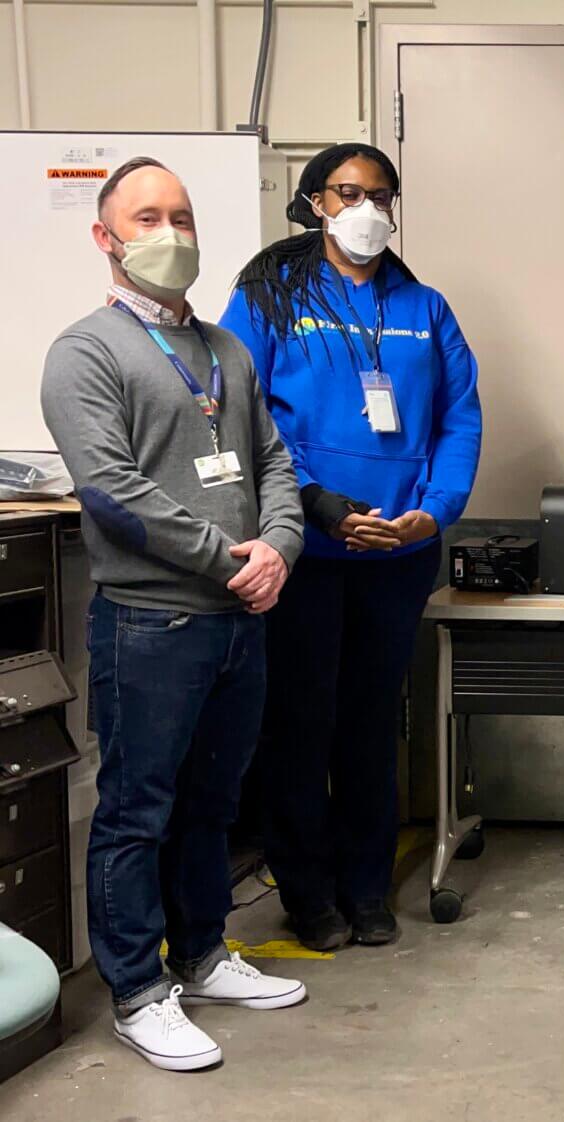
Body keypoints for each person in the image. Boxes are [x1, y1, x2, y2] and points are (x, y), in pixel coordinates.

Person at [41, 157, 308, 1071]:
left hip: (240, 622)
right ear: (105, 236)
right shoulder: (86, 351)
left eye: (183, 216)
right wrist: (224, 559)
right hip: (153, 625)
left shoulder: (225, 350)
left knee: (213, 802)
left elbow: (274, 462)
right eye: (148, 217)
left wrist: (279, 546)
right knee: (136, 811)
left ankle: (199, 954)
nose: (171, 234)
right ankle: (137, 991)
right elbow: (110, 492)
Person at [221, 144, 482, 952]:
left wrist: (431, 515)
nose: (365, 208)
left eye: (380, 195)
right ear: (314, 203)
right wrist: (320, 508)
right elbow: (241, 412)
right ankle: (307, 893)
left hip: (397, 555)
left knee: (373, 724)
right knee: (300, 724)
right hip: (303, 551)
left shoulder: (425, 307)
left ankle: (368, 889)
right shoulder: (269, 296)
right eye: (348, 192)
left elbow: (460, 417)